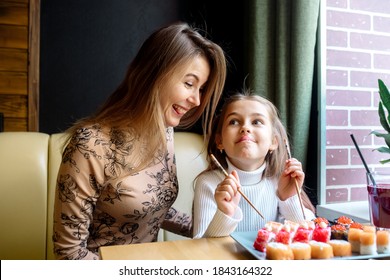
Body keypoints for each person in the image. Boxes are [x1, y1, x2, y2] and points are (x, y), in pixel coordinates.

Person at [52, 22, 227, 259]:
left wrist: (213, 222)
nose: (197, 100)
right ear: (155, 73)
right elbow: (68, 254)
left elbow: (149, 207)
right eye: (189, 83)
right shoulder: (89, 145)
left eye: (201, 88)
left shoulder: (164, 131)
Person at [193, 90, 316, 238]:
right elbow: (201, 250)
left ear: (273, 141)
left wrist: (288, 198)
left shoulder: (280, 182)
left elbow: (308, 235)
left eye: (257, 122)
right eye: (234, 121)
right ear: (219, 141)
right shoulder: (208, 183)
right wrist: (225, 213)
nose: (245, 128)